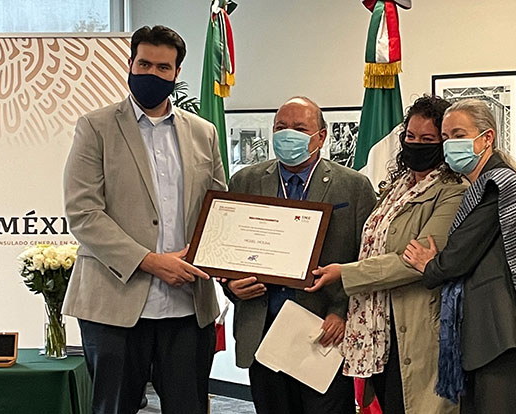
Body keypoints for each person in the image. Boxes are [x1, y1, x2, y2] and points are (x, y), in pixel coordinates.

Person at [62, 25, 226, 413]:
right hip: (114, 306)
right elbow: (83, 213)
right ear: (130, 64)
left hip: (188, 308)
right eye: (144, 63)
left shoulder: (204, 133)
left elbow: (219, 209)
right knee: (114, 407)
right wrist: (152, 263)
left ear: (176, 73)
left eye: (163, 68)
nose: (151, 74)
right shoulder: (95, 127)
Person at [306, 96, 467, 414]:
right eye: (410, 136)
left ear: (444, 143)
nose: (416, 145)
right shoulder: (397, 186)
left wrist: (345, 272)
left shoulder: (452, 190)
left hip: (416, 326)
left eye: (427, 139)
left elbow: (415, 262)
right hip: (377, 326)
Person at [221, 96, 376, 414]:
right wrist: (230, 286)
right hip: (262, 330)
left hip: (323, 331)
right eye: (281, 127)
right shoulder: (244, 181)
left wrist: (342, 311)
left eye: (299, 128)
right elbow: (228, 252)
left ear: (321, 136)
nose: (287, 134)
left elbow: (368, 259)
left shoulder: (354, 187)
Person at [402, 99, 516, 414]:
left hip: (505, 336)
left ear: (487, 138)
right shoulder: (485, 182)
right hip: (491, 337)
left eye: (459, 135)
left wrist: (430, 265)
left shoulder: (495, 184)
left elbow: (460, 256)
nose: (450, 145)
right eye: (445, 138)